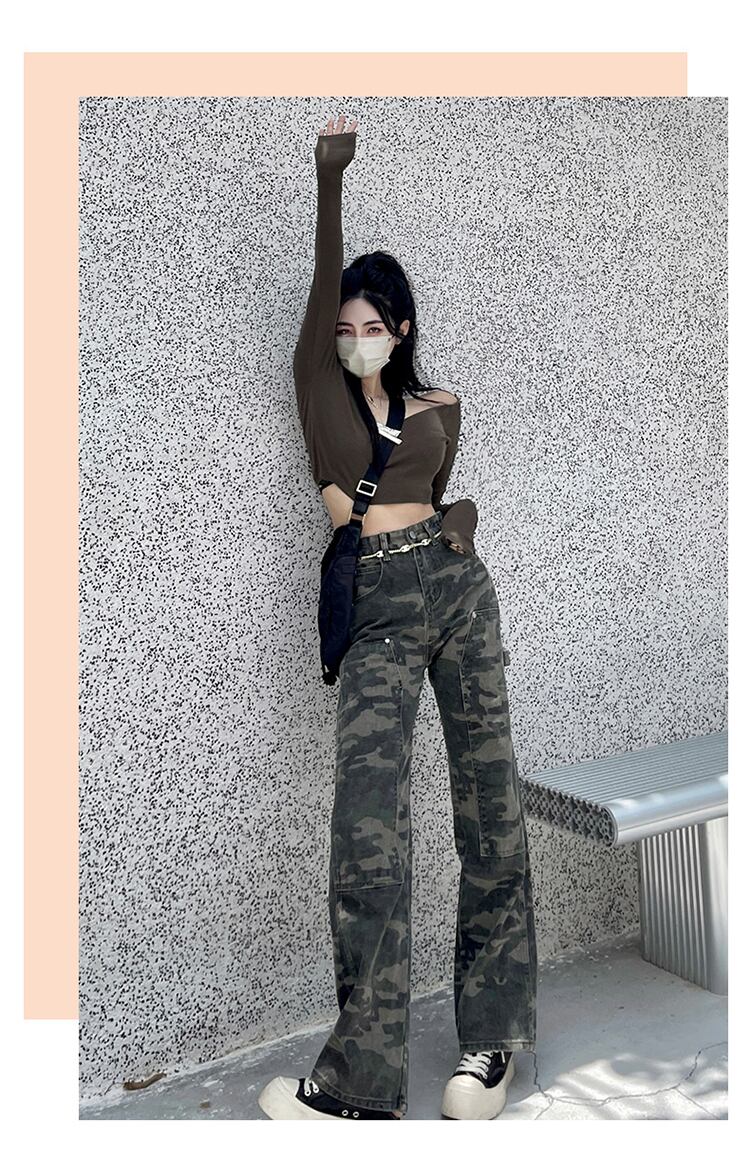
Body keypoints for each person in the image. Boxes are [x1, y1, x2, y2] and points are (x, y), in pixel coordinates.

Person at [259, 113, 537, 1121]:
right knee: (368, 828)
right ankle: (362, 1077)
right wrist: (329, 180)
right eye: (345, 327)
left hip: (458, 591)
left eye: (371, 325)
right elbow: (318, 295)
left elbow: (438, 493)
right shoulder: (319, 393)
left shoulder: (440, 406)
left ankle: (492, 1041)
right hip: (377, 604)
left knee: (490, 806)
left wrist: (459, 520)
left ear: (402, 328)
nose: (354, 339)